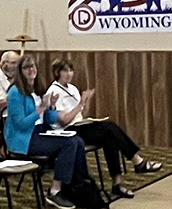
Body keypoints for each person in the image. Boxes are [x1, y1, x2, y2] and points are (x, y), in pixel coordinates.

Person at [44, 58, 160, 199]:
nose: (69, 74)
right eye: (65, 71)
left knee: (109, 137)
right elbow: (64, 121)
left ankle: (117, 183)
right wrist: (81, 103)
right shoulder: (53, 91)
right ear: (57, 72)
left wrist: (86, 103)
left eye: (71, 70)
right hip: (68, 132)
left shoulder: (73, 88)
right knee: (109, 127)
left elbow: (81, 115)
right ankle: (137, 161)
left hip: (80, 125)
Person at [5, 55, 88, 209]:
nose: (31, 70)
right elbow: (20, 124)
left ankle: (76, 186)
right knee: (68, 144)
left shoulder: (38, 88)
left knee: (77, 140)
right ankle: (55, 191)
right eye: (27, 67)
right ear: (20, 71)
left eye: (33, 67)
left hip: (41, 131)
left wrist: (51, 108)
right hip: (24, 138)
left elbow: (49, 119)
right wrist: (40, 110)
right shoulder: (15, 93)